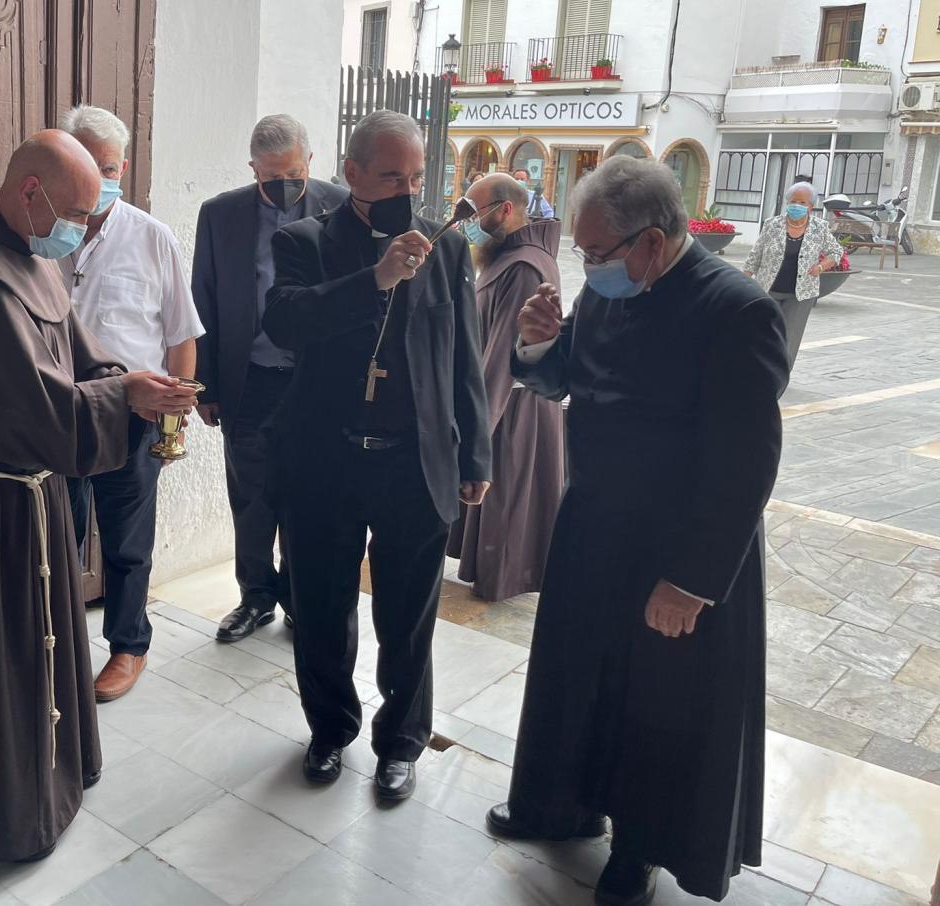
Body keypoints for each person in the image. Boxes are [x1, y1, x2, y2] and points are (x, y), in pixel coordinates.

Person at [0, 131, 197, 863]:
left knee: (31, 646)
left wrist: (123, 377)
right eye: (77, 214)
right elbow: (39, 414)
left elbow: (76, 350)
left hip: (26, 495)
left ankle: (44, 772)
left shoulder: (24, 255)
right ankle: (0, 804)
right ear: (29, 194)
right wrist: (127, 395)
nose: (83, 230)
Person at [485, 156, 788, 905]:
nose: (587, 266)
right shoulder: (613, 284)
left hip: (676, 551)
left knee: (658, 708)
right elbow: (569, 382)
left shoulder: (736, 310)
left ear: (651, 242)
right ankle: (562, 806)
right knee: (577, 682)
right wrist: (537, 345)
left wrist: (690, 582)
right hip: (595, 528)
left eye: (596, 252)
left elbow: (746, 465)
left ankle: (640, 848)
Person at [262, 110, 492, 801]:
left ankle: (402, 743)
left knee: (409, 614)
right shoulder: (305, 239)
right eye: (392, 174)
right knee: (324, 607)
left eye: (417, 175)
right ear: (352, 171)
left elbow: (464, 356)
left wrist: (475, 453)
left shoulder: (446, 246)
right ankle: (330, 729)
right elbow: (285, 321)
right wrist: (376, 281)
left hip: (412, 462)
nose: (407, 188)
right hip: (325, 461)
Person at [56, 106, 205, 702]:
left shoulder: (151, 236)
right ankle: (54, 643)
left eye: (108, 167)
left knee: (126, 545)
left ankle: (127, 647)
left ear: (123, 167)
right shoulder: (41, 236)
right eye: (86, 165)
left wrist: (173, 424)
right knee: (55, 539)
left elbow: (181, 335)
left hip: (132, 418)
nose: (98, 178)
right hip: (59, 414)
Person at [191, 115, 348, 642]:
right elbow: (204, 300)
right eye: (270, 176)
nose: (283, 184)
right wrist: (207, 385)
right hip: (251, 378)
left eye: (294, 173)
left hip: (318, 382)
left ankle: (302, 601)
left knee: (309, 495)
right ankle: (255, 597)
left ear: (311, 161)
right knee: (252, 498)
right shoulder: (220, 215)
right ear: (252, 168)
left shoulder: (341, 205)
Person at [447, 172, 563, 600]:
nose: (469, 221)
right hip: (498, 402)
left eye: (475, 212)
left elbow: (502, 360)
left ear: (506, 210)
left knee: (507, 497)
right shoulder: (507, 257)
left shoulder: (524, 268)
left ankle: (505, 577)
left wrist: (476, 431)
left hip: (510, 409)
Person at [743, 181, 843, 371]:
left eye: (802, 202)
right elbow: (756, 253)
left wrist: (821, 267)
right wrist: (744, 279)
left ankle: (780, 375)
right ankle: (758, 371)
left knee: (789, 338)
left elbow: (836, 252)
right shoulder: (772, 224)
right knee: (763, 333)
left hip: (800, 295)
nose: (797, 205)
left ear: (811, 207)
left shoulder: (819, 227)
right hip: (768, 290)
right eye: (793, 201)